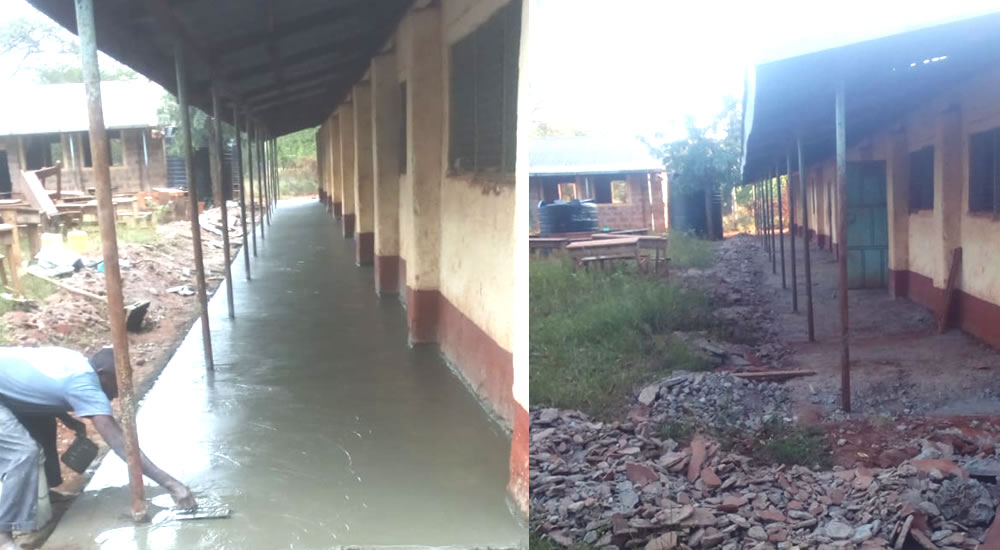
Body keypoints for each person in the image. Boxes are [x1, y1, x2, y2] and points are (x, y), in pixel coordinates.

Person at [0, 346, 196, 550]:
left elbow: (40, 385)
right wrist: (170, 483)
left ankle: (45, 495)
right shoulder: (84, 384)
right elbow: (120, 443)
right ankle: (3, 536)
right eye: (115, 383)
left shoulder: (78, 364)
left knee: (43, 423)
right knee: (23, 453)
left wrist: (67, 419)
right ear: (101, 374)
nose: (118, 391)